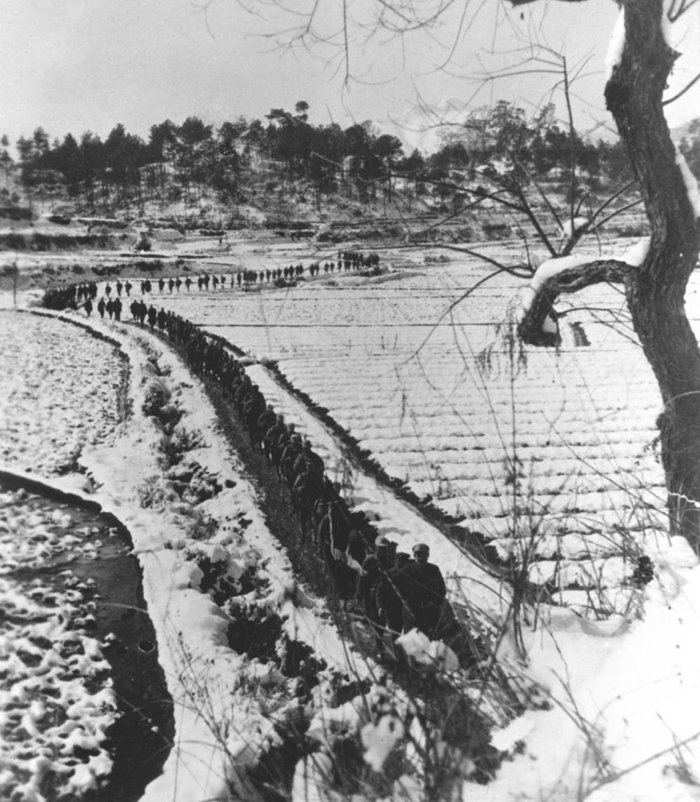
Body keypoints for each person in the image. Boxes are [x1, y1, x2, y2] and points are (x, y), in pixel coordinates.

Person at [399, 543, 446, 640]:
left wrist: (435, 602)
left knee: (430, 638)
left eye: (424, 555)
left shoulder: (434, 569)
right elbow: (401, 588)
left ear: (428, 555)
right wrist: (409, 603)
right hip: (412, 610)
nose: (421, 557)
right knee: (411, 638)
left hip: (430, 611)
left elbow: (441, 589)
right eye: (418, 555)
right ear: (414, 556)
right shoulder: (407, 569)